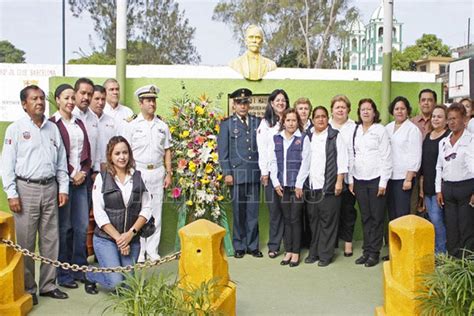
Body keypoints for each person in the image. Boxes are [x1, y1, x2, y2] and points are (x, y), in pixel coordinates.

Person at [1, 85, 69, 304]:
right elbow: (7, 165)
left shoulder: (53, 129)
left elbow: (61, 162)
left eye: (41, 98)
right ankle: (28, 288)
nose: (39, 102)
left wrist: (63, 188)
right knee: (26, 242)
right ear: (24, 104)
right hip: (25, 189)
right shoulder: (15, 129)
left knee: (51, 240)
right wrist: (12, 193)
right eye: (34, 99)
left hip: (50, 188)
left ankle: (48, 285)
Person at [84, 136, 152, 293]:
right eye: (117, 153)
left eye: (125, 152)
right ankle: (91, 274)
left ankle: (113, 268)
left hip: (131, 238)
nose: (122, 157)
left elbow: (146, 209)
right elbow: (100, 215)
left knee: (128, 286)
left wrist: (130, 234)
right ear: (110, 156)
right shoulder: (102, 178)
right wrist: (120, 240)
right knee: (116, 284)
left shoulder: (139, 177)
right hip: (106, 239)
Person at [123, 84, 172, 262]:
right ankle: (140, 251)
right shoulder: (132, 125)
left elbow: (167, 150)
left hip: (157, 171)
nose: (152, 103)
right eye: (148, 100)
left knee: (156, 212)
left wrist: (169, 173)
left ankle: (152, 250)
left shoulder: (162, 125)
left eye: (153, 100)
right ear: (140, 103)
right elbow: (125, 150)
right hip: (139, 171)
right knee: (139, 212)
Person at [50, 84, 92, 288]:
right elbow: (55, 156)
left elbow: (86, 152)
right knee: (64, 228)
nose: (70, 102)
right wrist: (71, 173)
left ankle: (79, 269)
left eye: (72, 98)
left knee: (82, 227)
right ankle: (63, 273)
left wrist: (83, 171)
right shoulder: (52, 124)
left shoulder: (79, 123)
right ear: (57, 99)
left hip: (81, 182)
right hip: (63, 184)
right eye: (66, 98)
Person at [217, 88, 262, 258]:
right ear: (234, 105)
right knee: (238, 212)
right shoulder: (227, 124)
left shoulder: (257, 122)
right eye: (239, 103)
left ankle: (253, 245)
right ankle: (240, 246)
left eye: (245, 102)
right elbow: (223, 152)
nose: (242, 106)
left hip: (254, 173)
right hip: (236, 174)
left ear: (249, 104)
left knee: (253, 213)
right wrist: (227, 172)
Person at [349, 99, 392, 267]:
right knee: (365, 217)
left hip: (376, 180)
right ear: (359, 113)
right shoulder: (356, 130)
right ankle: (366, 251)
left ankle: (374, 252)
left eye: (369, 109)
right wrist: (351, 179)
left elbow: (386, 156)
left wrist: (383, 182)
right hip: (359, 180)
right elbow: (353, 155)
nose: (365, 112)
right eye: (362, 109)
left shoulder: (380, 130)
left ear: (375, 113)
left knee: (377, 217)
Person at [305, 106, 348, 267]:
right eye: (317, 117)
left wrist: (339, 181)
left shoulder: (335, 136)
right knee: (313, 221)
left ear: (327, 118)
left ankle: (325, 255)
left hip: (329, 186)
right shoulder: (308, 136)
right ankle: (314, 252)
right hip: (312, 186)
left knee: (328, 222)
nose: (321, 119)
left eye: (323, 116)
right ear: (313, 119)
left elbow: (342, 161)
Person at [269, 108, 310, 267]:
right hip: (281, 187)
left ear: (297, 122)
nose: (291, 123)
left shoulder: (303, 138)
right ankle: (288, 251)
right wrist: (276, 182)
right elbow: (272, 162)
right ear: (283, 122)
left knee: (295, 219)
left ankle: (295, 252)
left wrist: (299, 184)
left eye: (294, 120)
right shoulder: (276, 138)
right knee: (286, 219)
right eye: (288, 120)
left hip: (297, 187)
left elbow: (306, 162)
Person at [435, 103, 474, 258]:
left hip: (466, 188)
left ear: (464, 119)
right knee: (451, 228)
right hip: (448, 189)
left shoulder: (471, 140)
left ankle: (467, 266)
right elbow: (439, 167)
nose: (452, 122)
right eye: (449, 119)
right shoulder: (443, 142)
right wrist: (438, 189)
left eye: (455, 118)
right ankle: (453, 264)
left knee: (466, 228)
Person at [257, 89, 290, 258]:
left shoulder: (291, 121)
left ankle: (290, 245)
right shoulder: (265, 124)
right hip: (270, 174)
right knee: (275, 210)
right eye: (277, 100)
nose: (280, 103)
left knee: (289, 210)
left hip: (289, 173)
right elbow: (262, 149)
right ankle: (274, 245)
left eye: (283, 100)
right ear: (271, 103)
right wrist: (264, 172)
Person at [385, 96, 422, 221]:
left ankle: (404, 241)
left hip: (403, 179)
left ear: (407, 111)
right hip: (389, 177)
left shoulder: (412, 129)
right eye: (396, 109)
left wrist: (409, 178)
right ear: (392, 111)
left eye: (403, 108)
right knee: (392, 213)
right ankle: (393, 241)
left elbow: (415, 155)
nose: (399, 111)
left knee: (402, 214)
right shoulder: (387, 128)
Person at [329, 95, 357, 257]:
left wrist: (351, 179)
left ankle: (348, 243)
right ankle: (330, 244)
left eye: (343, 107)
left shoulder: (354, 127)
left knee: (348, 211)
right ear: (332, 110)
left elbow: (353, 154)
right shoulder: (326, 125)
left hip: (348, 177)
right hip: (329, 177)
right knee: (331, 212)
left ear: (348, 110)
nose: (340, 110)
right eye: (337, 107)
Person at [420, 105, 449, 254]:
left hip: (441, 188)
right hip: (428, 187)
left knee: (438, 221)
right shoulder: (427, 137)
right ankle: (436, 251)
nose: (436, 119)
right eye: (434, 116)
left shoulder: (449, 137)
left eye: (439, 116)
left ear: (446, 120)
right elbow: (424, 166)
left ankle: (441, 254)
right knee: (432, 221)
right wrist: (421, 188)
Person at [293, 97, 313, 248]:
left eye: (306, 108)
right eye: (300, 108)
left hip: (313, 175)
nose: (303, 111)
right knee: (298, 210)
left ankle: (312, 241)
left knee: (312, 211)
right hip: (297, 175)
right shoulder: (292, 128)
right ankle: (299, 241)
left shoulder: (316, 127)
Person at [72, 78, 100, 176]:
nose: (86, 97)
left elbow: (97, 146)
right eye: (83, 93)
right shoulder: (68, 116)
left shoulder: (94, 118)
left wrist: (96, 170)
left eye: (90, 94)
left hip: (90, 174)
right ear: (75, 93)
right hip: (72, 174)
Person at [89, 85, 118, 171]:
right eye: (97, 99)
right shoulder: (84, 120)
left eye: (103, 99)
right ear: (90, 98)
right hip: (88, 170)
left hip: (109, 168)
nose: (100, 103)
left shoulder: (111, 121)